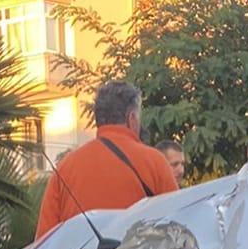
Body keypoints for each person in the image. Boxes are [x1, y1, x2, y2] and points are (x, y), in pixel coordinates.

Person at [35, 81, 179, 237]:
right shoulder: (154, 162)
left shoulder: (65, 168)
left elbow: (45, 242)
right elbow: (178, 225)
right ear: (131, 118)